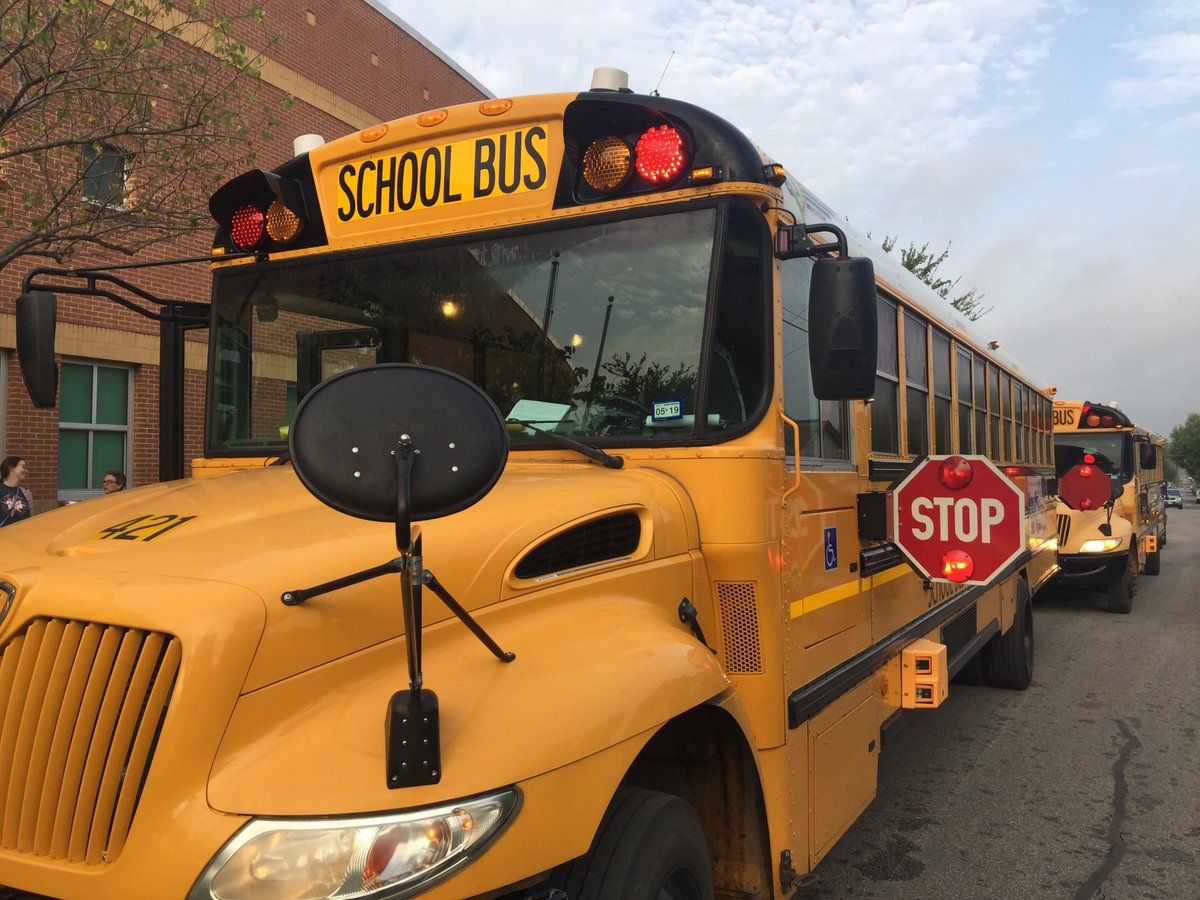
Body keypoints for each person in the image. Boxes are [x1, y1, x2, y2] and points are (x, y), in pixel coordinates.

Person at [1, 456, 33, 527]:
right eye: (23, 467)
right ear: (11, 468)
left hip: (22, 532)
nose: (26, 471)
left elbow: (28, 517)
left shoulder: (25, 492)